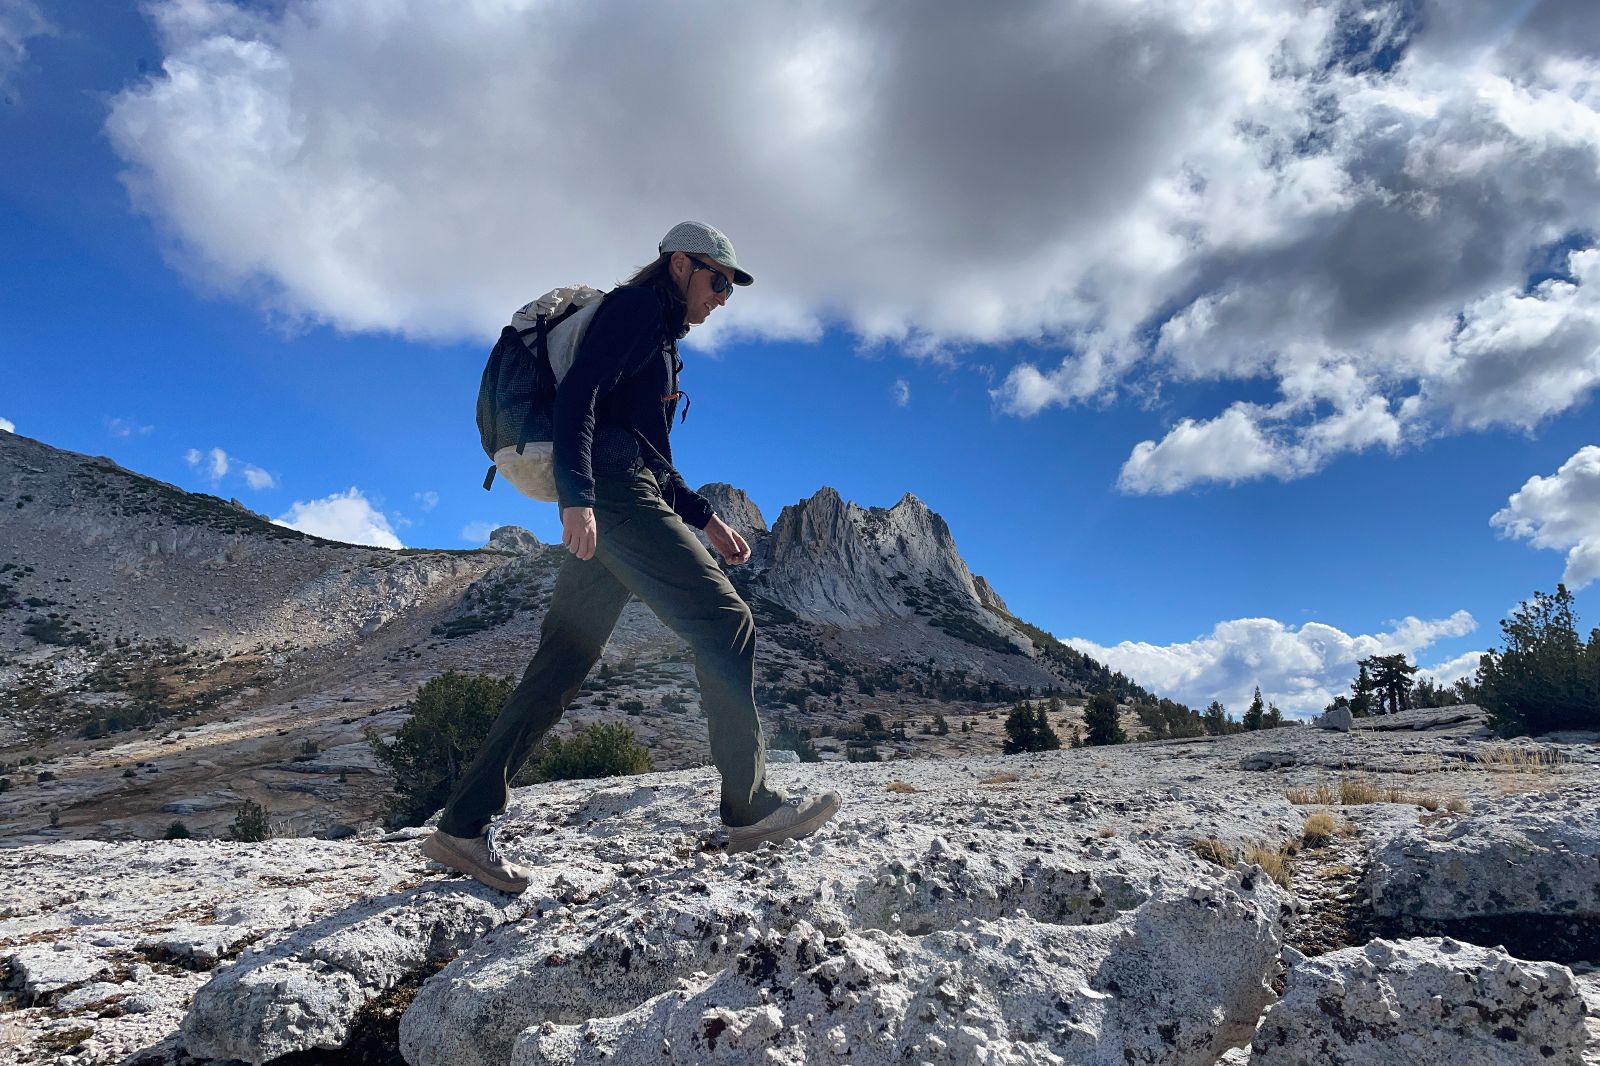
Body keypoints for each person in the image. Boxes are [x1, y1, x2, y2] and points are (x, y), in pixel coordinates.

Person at [423, 222, 842, 892]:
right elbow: (581, 396)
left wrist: (708, 520)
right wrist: (579, 497)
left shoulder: (661, 344)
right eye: (718, 279)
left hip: (621, 489)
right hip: (610, 496)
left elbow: (649, 454)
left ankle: (463, 825)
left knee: (561, 660)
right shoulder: (639, 308)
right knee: (725, 622)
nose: (724, 296)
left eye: (732, 287)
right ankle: (750, 809)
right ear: (680, 266)